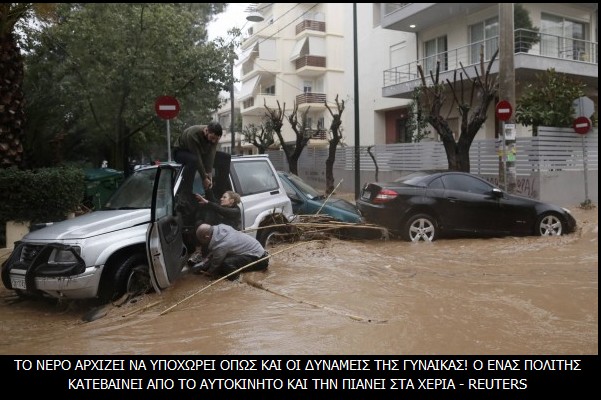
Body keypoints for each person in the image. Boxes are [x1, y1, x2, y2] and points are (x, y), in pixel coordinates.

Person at [192, 223, 269, 280]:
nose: (202, 243)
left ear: (207, 236)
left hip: (260, 260)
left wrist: (210, 272)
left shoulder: (222, 245)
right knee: (220, 263)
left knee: (226, 264)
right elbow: (215, 253)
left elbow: (216, 263)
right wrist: (205, 262)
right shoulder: (221, 227)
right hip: (254, 251)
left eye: (201, 241)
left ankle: (236, 280)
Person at [173, 122, 223, 205]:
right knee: (193, 160)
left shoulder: (214, 138)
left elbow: (211, 155)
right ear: (206, 130)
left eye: (216, 139)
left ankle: (217, 192)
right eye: (212, 138)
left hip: (200, 153)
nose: (213, 141)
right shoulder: (193, 135)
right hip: (180, 152)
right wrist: (204, 178)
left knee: (224, 157)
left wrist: (209, 174)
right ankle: (186, 193)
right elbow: (198, 158)